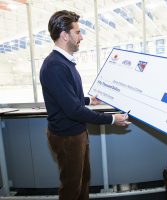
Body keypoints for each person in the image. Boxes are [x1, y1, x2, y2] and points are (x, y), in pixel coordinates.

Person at [40, 10, 130, 200]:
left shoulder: (64, 62)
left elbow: (68, 97)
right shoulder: (55, 66)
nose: (81, 37)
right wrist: (112, 119)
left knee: (82, 181)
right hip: (68, 137)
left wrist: (90, 100)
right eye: (78, 32)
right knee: (72, 188)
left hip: (75, 133)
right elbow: (73, 110)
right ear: (65, 35)